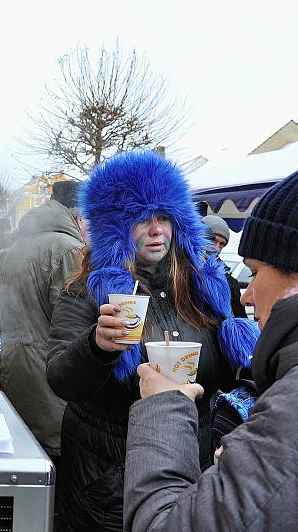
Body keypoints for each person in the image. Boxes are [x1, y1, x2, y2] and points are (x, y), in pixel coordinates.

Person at [45, 150, 258, 532]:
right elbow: (61, 379)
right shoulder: (88, 294)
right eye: (142, 219)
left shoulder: (210, 288)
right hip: (111, 479)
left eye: (163, 217)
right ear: (115, 227)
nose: (157, 229)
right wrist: (97, 347)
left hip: (197, 464)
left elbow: (242, 373)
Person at [124, 156, 298, 532]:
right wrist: (96, 348)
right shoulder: (95, 288)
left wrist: (164, 406)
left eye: (257, 271)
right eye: (142, 219)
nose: (247, 296)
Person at [0, 180, 84, 524]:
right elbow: (70, 323)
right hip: (49, 381)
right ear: (79, 214)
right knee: (56, 484)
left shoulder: (23, 242)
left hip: (16, 369)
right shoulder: (66, 248)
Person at [201, 214, 248, 318]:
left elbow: (240, 317)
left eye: (222, 244)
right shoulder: (180, 270)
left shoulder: (230, 282)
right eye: (213, 240)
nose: (217, 248)